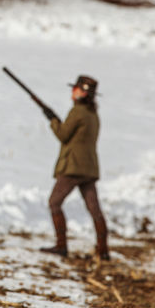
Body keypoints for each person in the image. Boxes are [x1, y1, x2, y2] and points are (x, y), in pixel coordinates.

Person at [40, 75, 109, 260]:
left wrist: (52, 120)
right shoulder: (93, 113)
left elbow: (63, 135)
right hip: (89, 168)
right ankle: (103, 251)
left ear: (82, 92)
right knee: (95, 209)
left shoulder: (77, 112)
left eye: (76, 89)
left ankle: (61, 246)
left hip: (73, 168)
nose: (73, 92)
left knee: (54, 203)